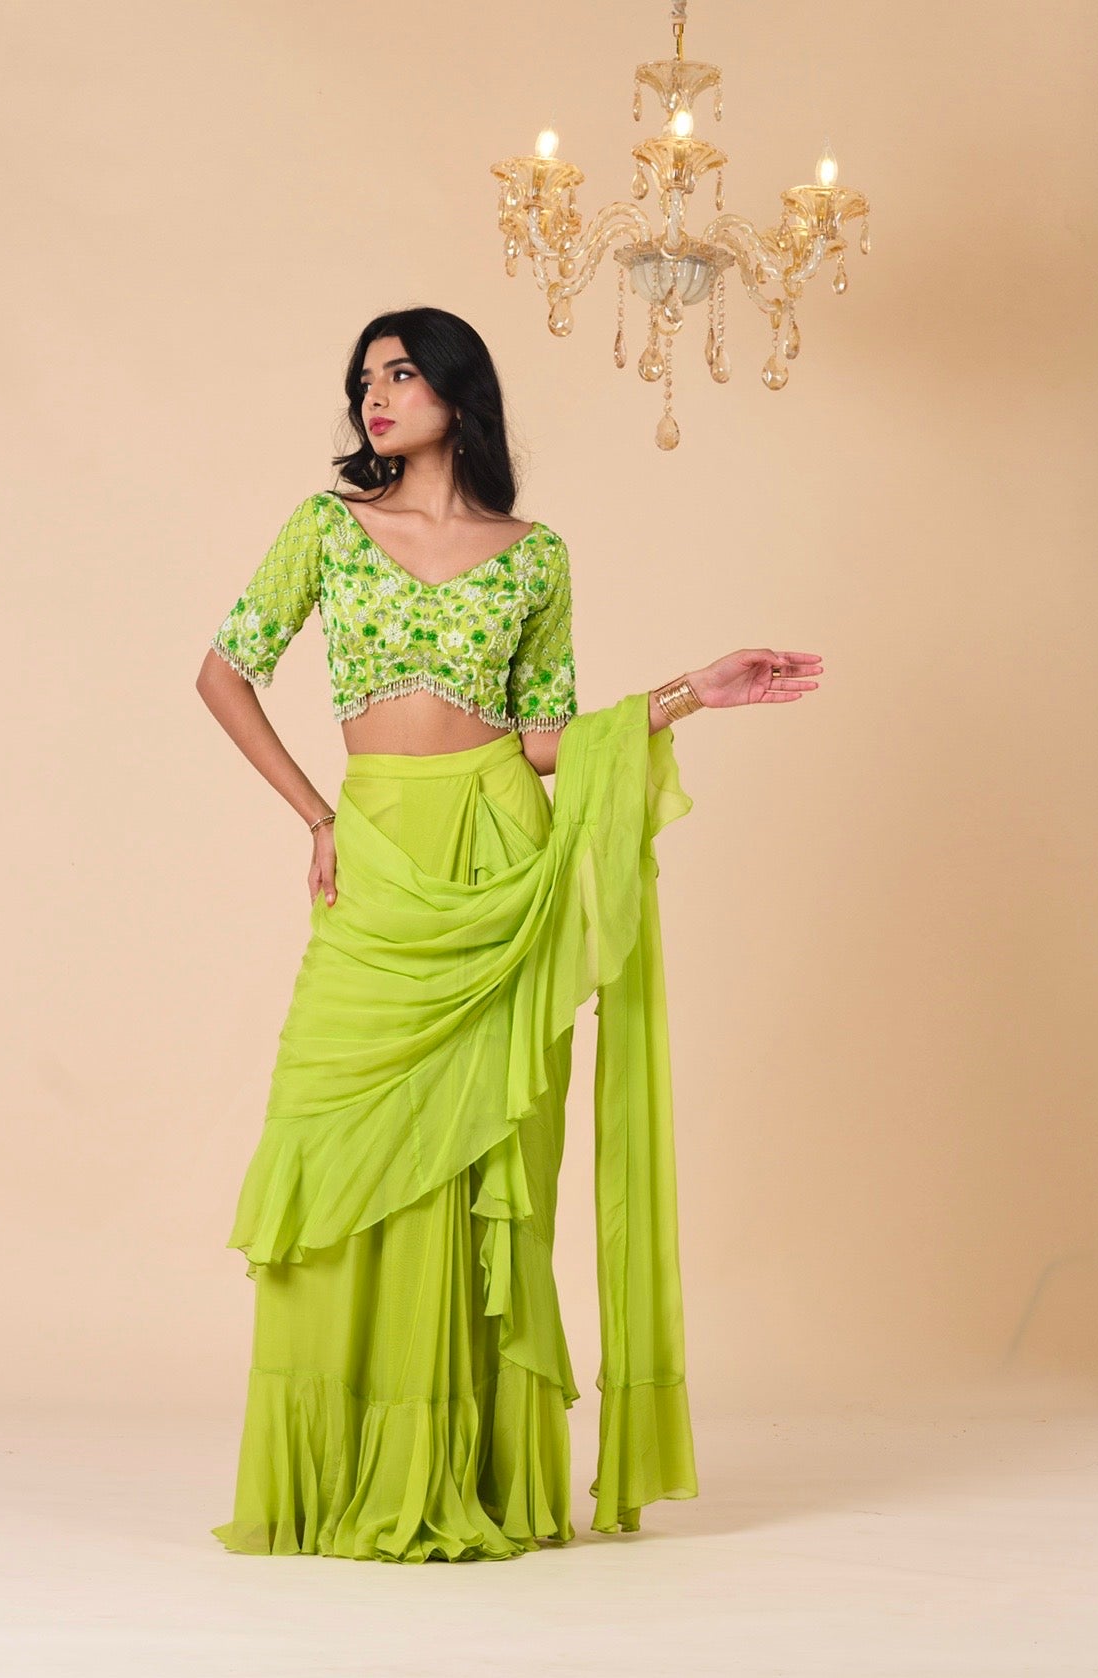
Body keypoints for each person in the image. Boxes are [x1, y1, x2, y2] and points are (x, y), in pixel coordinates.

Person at [194, 305, 823, 1564]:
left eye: (404, 373)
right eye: (364, 377)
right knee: (335, 1136)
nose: (376, 396)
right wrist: (317, 813)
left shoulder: (536, 556)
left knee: (493, 1163)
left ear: (457, 394)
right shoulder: (327, 528)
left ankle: (467, 1462)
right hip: (378, 852)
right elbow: (224, 671)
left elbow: (547, 736)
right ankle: (342, 1475)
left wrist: (694, 689)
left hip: (497, 851)